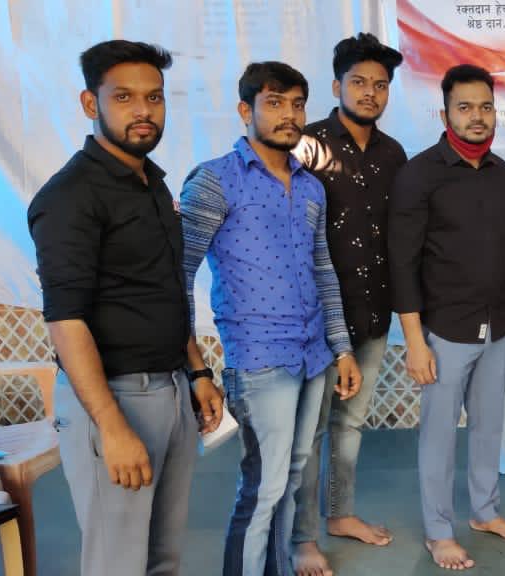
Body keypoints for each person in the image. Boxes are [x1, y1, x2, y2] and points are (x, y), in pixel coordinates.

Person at [27, 39, 222, 576]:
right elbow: (66, 321)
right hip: (113, 399)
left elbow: (164, 289)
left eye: (154, 97)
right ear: (90, 104)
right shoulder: (69, 197)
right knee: (117, 563)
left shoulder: (152, 183)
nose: (143, 111)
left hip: (172, 391)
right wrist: (111, 426)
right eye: (124, 97)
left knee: (162, 559)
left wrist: (197, 371)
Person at [181, 61, 362, 576]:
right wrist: (196, 370)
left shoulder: (310, 188)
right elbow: (177, 276)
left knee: (294, 476)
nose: (289, 115)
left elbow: (323, 270)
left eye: (297, 104)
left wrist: (342, 348)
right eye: (275, 103)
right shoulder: (215, 180)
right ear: (246, 110)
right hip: (260, 358)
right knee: (263, 488)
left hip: (314, 356)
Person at [389, 63, 505, 571]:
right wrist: (415, 342)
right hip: (444, 332)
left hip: (499, 324)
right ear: (445, 114)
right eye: (465, 107)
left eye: (485, 107)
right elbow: (403, 263)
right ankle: (438, 531)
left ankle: (485, 512)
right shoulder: (419, 174)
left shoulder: (502, 174)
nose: (477, 117)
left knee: (488, 427)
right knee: (438, 435)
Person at [290, 32, 407, 576]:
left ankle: (340, 515)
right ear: (336, 86)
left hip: (374, 311)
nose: (369, 93)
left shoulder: (394, 154)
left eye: (380, 85)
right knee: (309, 432)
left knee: (350, 424)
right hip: (316, 318)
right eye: (358, 82)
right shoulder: (305, 146)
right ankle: (302, 538)